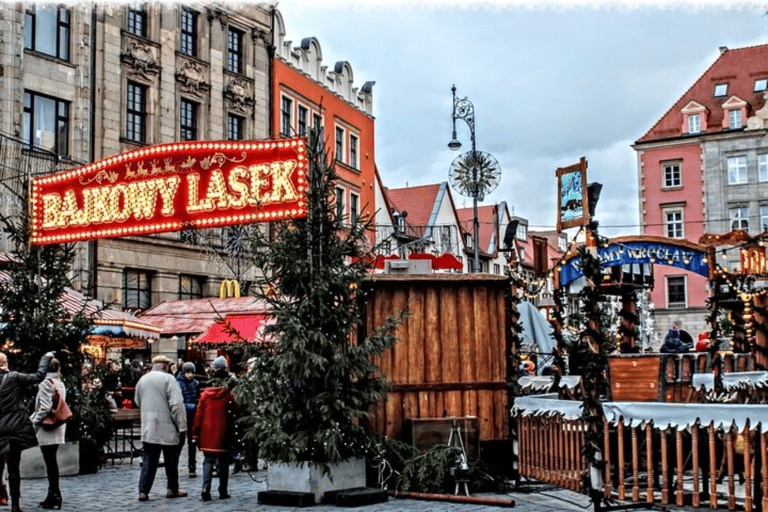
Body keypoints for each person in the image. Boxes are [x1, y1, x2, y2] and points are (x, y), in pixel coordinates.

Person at [0, 351, 54, 512]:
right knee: (14, 467)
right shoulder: (14, 377)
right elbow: (38, 376)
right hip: (16, 427)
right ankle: (15, 505)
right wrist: (46, 357)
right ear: (4, 362)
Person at [135, 355, 188, 502]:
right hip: (167, 426)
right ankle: (172, 488)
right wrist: (181, 426)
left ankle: (143, 491)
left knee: (149, 460)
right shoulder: (169, 379)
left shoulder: (142, 380)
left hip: (148, 426)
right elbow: (177, 405)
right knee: (171, 460)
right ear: (165, 366)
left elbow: (137, 401)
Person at [192, 356, 238, 502]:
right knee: (223, 462)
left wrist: (195, 433)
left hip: (207, 432)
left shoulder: (205, 395)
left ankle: (205, 488)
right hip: (223, 430)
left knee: (208, 460)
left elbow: (198, 415)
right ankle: (222, 490)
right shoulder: (229, 394)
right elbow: (235, 412)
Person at [30, 358, 66, 510]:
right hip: (58, 426)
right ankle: (53, 494)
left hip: (47, 426)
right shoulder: (60, 382)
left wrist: (34, 421)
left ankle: (55, 495)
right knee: (52, 461)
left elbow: (44, 407)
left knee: (50, 462)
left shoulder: (46, 383)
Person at [177, 362, 200, 477]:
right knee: (180, 441)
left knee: (192, 441)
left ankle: (192, 466)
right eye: (188, 372)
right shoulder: (179, 384)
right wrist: (193, 406)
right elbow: (180, 402)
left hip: (193, 415)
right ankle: (175, 465)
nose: (190, 375)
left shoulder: (196, 383)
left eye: (192, 372)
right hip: (184, 414)